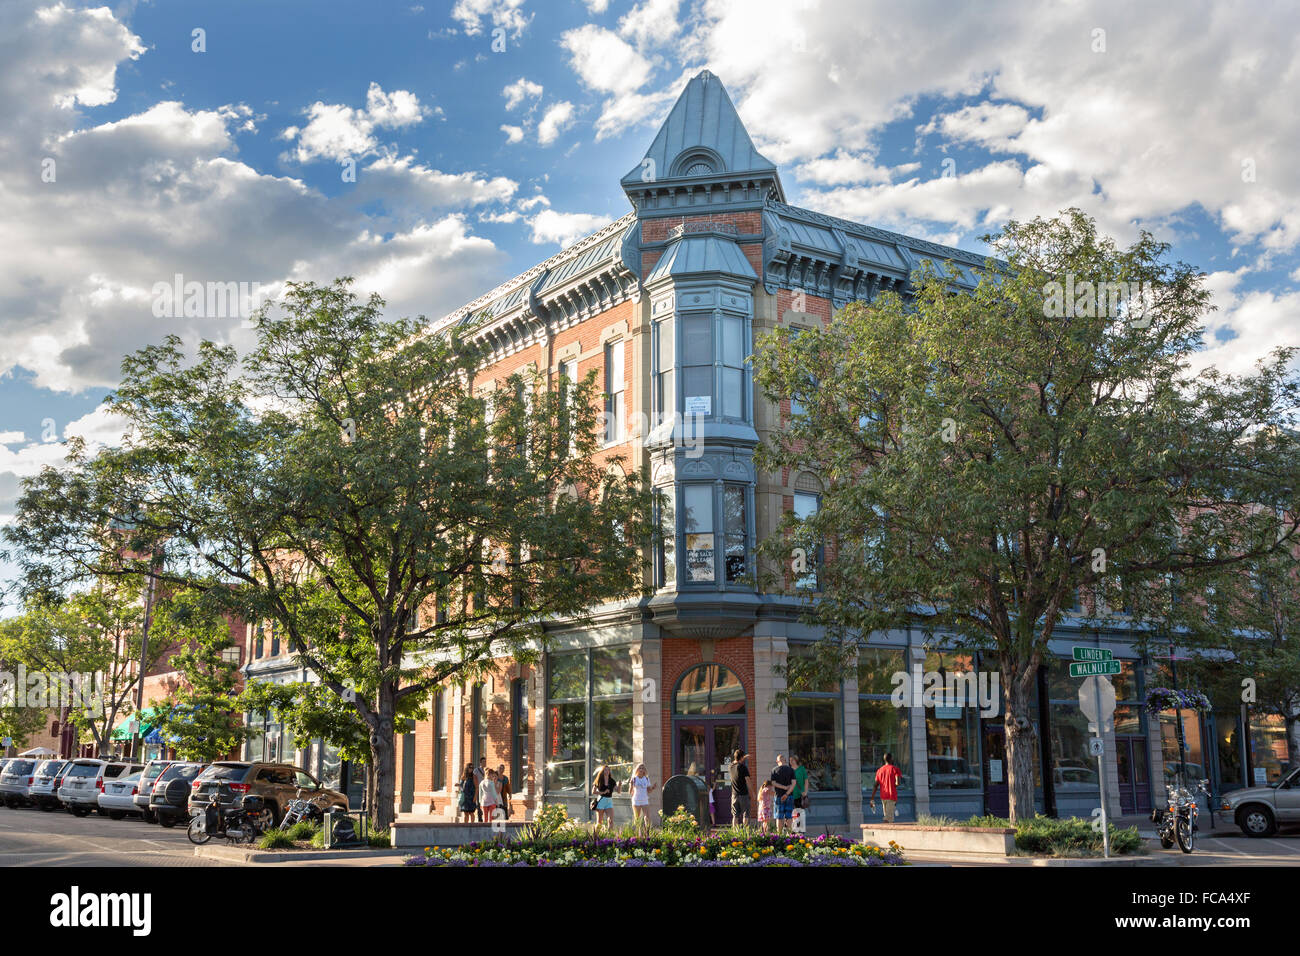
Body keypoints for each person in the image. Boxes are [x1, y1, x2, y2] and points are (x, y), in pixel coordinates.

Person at [870, 753, 903, 823]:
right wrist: (893, 785)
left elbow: (875, 785)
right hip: (891, 796)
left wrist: (872, 798)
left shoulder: (879, 770)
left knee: (888, 817)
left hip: (883, 796)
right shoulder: (895, 769)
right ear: (891, 759)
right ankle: (883, 832)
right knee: (888, 819)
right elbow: (897, 782)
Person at [770, 754, 796, 832]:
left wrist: (783, 788)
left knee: (779, 817)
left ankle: (779, 835)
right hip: (789, 796)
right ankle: (789, 834)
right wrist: (787, 793)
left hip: (778, 796)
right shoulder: (791, 770)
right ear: (785, 760)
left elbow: (773, 783)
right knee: (789, 816)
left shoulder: (774, 770)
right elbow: (794, 783)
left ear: (777, 761)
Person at [629, 763, 656, 831]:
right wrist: (631, 785)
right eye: (639, 768)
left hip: (644, 800)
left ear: (644, 770)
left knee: (647, 817)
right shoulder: (634, 779)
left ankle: (647, 832)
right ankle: (637, 833)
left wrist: (653, 788)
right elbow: (630, 792)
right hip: (636, 800)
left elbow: (649, 791)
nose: (641, 769)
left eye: (642, 768)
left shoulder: (646, 779)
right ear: (637, 770)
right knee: (637, 818)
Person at [592, 762, 617, 828]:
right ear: (602, 771)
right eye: (605, 770)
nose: (607, 771)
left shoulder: (612, 781)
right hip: (601, 800)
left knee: (611, 820)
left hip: (609, 801)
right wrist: (603, 792)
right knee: (600, 822)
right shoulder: (599, 780)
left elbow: (618, 791)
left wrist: (620, 785)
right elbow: (593, 792)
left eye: (608, 770)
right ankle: (595, 837)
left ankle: (609, 837)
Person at [729, 750, 750, 826]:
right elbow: (748, 781)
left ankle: (735, 833)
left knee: (735, 815)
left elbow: (735, 761)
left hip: (734, 795)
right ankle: (745, 832)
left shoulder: (731, 767)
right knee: (746, 814)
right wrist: (753, 793)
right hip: (743, 794)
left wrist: (743, 757)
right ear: (741, 757)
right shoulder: (743, 767)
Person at [473, 757, 487, 822]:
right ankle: (480, 817)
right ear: (480, 762)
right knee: (479, 803)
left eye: (485, 761)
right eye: (483, 761)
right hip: (479, 789)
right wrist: (476, 787)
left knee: (485, 803)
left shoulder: (487, 770)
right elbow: (474, 778)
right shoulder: (476, 770)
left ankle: (485, 816)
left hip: (486, 790)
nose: (484, 763)